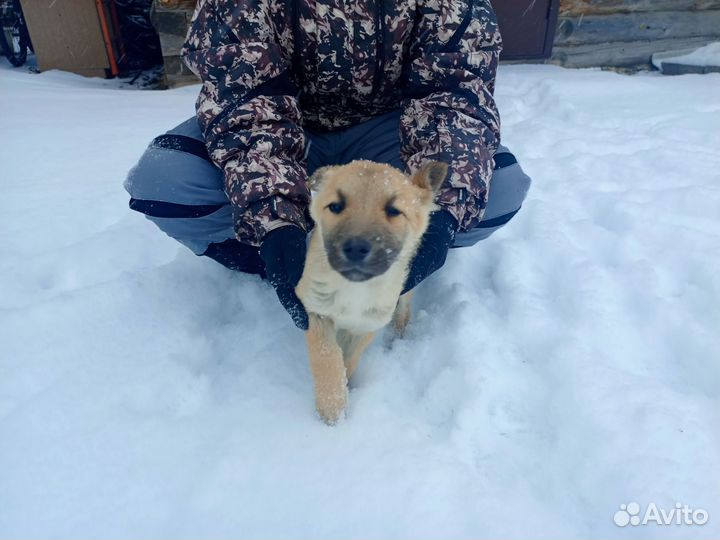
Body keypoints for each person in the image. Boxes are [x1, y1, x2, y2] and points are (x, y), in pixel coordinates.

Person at [124, 0, 531, 330]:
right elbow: (244, 99)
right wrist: (273, 219)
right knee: (163, 179)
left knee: (501, 187)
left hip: (389, 132)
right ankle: (281, 258)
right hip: (284, 126)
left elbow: (451, 96)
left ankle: (411, 251)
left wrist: (439, 212)